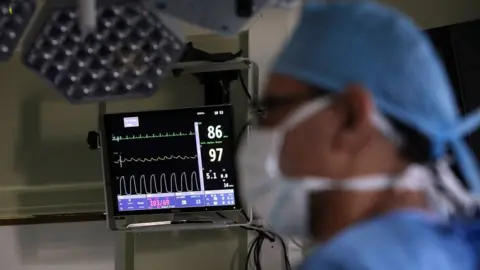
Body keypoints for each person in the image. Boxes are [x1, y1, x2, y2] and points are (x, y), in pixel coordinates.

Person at [237, 2, 480, 269]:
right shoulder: (448, 253)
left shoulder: (352, 264)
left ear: (352, 118)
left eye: (272, 109)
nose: (260, 132)